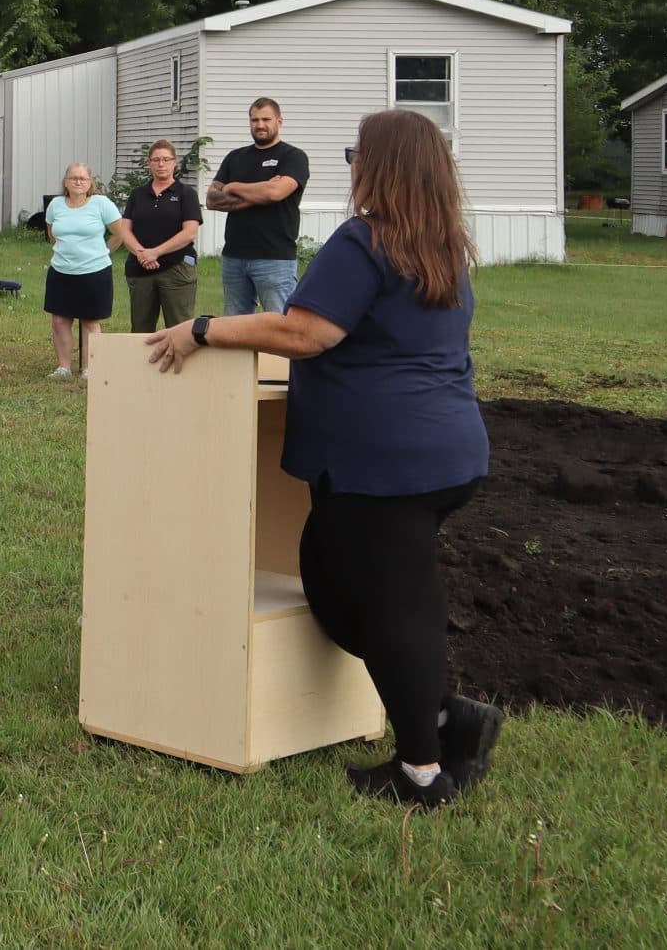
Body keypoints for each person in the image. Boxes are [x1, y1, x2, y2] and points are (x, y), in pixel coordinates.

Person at [147, 108, 499, 810]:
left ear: (385, 165)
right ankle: (442, 718)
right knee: (367, 591)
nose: (350, 163)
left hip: (383, 463)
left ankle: (422, 772)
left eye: (355, 152)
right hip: (446, 453)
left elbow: (302, 330)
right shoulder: (444, 245)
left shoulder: (365, 241)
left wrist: (204, 327)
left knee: (379, 602)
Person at [208, 97, 309, 315]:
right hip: (234, 257)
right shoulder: (235, 157)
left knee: (280, 325)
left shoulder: (293, 157)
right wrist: (260, 193)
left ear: (279, 121)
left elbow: (275, 193)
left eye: (266, 119)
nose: (260, 125)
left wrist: (233, 186)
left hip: (275, 258)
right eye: (255, 120)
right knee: (235, 328)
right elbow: (211, 199)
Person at [40, 164, 121, 378]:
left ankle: (89, 368)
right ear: (65, 182)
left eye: (83, 178)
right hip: (61, 271)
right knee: (59, 320)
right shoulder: (56, 205)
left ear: (90, 182)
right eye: (73, 178)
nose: (78, 182)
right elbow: (51, 234)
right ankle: (63, 367)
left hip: (95, 271)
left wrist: (103, 251)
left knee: (90, 320)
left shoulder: (101, 204)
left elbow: (119, 233)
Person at [117, 138, 203, 332]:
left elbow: (190, 232)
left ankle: (179, 363)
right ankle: (142, 363)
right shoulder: (138, 194)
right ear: (149, 163)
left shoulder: (186, 193)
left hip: (176, 268)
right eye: (156, 160)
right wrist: (142, 254)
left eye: (166, 159)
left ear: (175, 162)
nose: (161, 164)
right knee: (140, 329)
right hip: (140, 270)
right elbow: (125, 230)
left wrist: (155, 252)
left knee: (180, 328)